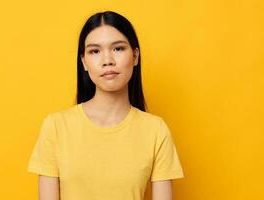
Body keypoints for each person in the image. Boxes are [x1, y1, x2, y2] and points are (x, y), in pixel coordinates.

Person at [27, 10, 184, 200]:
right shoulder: (56, 127)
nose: (107, 60)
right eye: (95, 51)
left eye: (118, 49)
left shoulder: (156, 130)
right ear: (84, 62)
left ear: (135, 56)